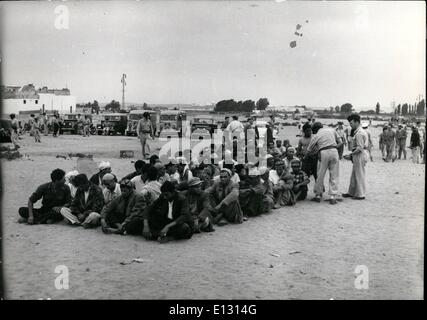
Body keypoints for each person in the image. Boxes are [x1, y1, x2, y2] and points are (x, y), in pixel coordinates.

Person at [305, 122, 342, 205]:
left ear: (315, 129)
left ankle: (318, 195)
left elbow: (308, 150)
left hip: (323, 152)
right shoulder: (332, 130)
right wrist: (334, 147)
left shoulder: (316, 135)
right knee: (334, 175)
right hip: (334, 151)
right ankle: (333, 197)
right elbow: (341, 142)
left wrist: (304, 158)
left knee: (320, 174)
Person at [342, 114, 369, 200]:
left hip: (359, 154)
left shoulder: (359, 133)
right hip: (358, 154)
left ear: (357, 122)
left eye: (351, 123)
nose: (350, 125)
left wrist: (350, 155)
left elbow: (360, 148)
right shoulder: (358, 131)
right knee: (354, 174)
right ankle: (351, 192)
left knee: (359, 174)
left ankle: (360, 194)